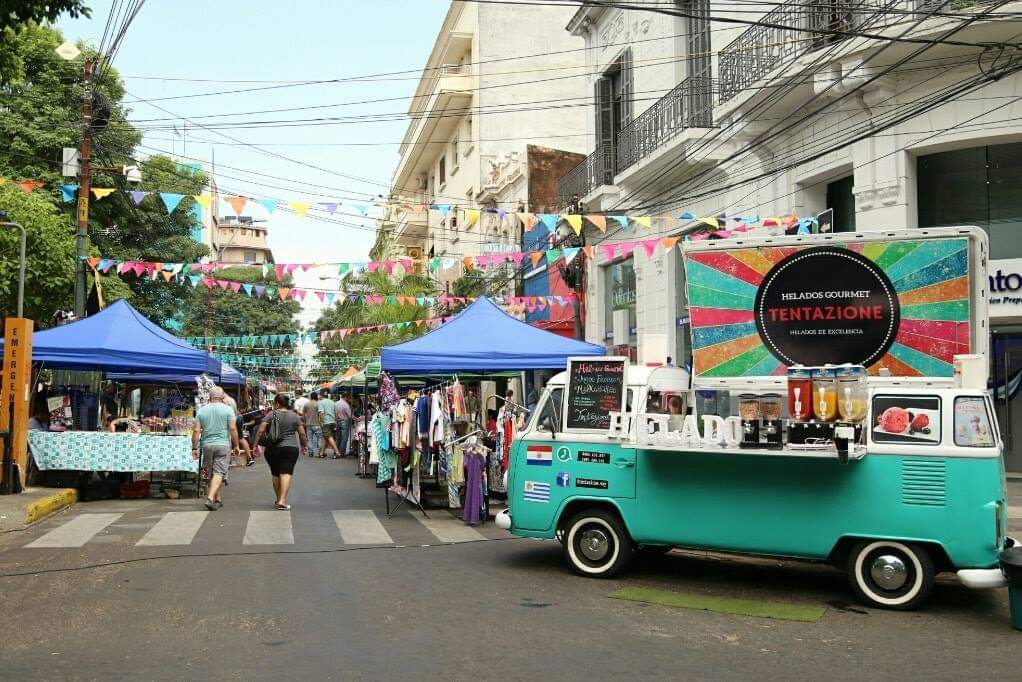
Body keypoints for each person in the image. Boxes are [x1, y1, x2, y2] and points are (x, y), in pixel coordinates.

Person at [254, 394, 306, 510]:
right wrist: (304, 445)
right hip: (290, 448)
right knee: (286, 473)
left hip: (272, 449)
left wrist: (255, 445)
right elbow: (302, 433)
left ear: (277, 404)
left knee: (276, 473)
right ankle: (282, 500)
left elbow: (260, 431)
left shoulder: (271, 414)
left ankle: (279, 499)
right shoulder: (294, 416)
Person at [193, 386, 239, 511]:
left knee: (210, 473)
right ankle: (210, 497)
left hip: (207, 445)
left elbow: (197, 430)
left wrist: (194, 448)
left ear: (209, 397)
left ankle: (218, 499)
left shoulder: (202, 410)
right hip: (223, 444)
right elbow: (233, 429)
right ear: (223, 397)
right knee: (219, 472)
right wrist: (236, 445)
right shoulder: (228, 410)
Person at [303, 391, 322, 457]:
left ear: (311, 397)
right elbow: (320, 414)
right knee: (319, 438)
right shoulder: (319, 404)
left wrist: (306, 421)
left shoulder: (306, 404)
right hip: (317, 424)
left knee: (310, 439)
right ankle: (320, 452)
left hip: (308, 424)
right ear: (316, 397)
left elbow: (304, 414)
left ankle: (311, 452)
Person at [334, 392, 352, 458]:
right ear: (346, 397)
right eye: (348, 397)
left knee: (338, 438)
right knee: (344, 438)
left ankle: (336, 451)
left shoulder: (335, 403)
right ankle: (341, 452)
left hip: (337, 421)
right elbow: (350, 415)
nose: (349, 399)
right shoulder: (346, 405)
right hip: (344, 421)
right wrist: (355, 419)